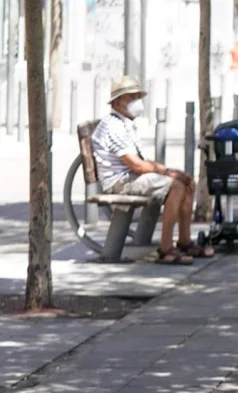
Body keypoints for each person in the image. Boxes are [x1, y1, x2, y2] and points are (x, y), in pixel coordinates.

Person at [91, 76, 214, 265]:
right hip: (120, 182)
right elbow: (136, 165)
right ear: (118, 101)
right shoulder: (113, 126)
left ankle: (184, 241)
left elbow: (140, 162)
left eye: (138, 96)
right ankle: (165, 249)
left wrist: (167, 171)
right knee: (176, 186)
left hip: (131, 177)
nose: (137, 101)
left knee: (187, 182)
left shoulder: (126, 124)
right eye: (132, 97)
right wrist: (167, 172)